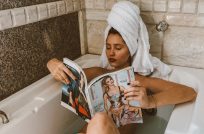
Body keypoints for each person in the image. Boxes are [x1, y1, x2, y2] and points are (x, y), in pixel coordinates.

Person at [47, 1, 197, 133]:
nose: (111, 53)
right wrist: (52, 63)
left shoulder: (138, 81)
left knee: (100, 120)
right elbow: (68, 75)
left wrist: (150, 101)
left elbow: (189, 92)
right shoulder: (100, 73)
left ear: (131, 50)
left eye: (118, 48)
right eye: (108, 47)